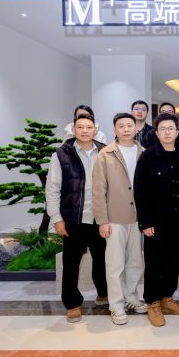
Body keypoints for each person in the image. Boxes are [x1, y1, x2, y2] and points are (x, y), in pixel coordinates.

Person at [46, 113, 107, 323]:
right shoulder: (61, 154)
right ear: (73, 129)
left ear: (95, 130)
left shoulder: (105, 151)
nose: (84, 131)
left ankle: (103, 293)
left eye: (89, 127)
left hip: (100, 218)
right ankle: (72, 304)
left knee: (102, 260)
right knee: (71, 264)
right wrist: (57, 218)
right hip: (73, 219)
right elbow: (52, 188)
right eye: (80, 127)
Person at [134, 113, 179, 327]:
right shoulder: (147, 157)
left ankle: (167, 298)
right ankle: (153, 303)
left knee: (175, 262)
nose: (167, 132)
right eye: (163, 129)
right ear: (156, 133)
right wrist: (145, 222)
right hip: (155, 223)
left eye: (170, 129)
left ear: (177, 132)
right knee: (155, 263)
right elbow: (140, 191)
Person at [92, 113, 147, 325]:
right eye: (121, 126)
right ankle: (116, 305)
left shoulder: (143, 153)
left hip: (138, 218)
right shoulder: (105, 155)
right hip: (114, 218)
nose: (126, 129)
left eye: (129, 125)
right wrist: (102, 221)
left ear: (136, 128)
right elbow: (98, 191)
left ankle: (131, 297)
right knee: (115, 265)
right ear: (115, 130)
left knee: (135, 262)